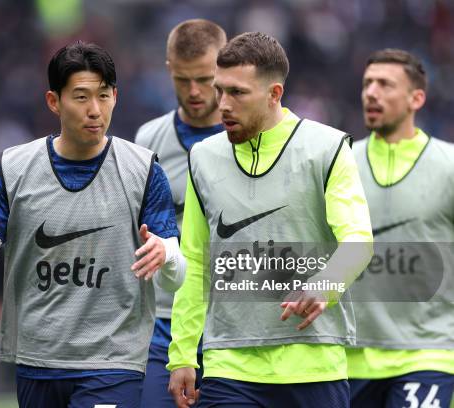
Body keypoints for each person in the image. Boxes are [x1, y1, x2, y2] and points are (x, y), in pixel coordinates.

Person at [0, 41, 187, 408]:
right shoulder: (13, 169)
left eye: (104, 95)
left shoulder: (144, 171)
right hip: (37, 361)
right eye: (81, 97)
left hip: (112, 362)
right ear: (54, 102)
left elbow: (177, 275)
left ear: (115, 96)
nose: (95, 110)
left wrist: (167, 256)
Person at [167, 32, 373, 408]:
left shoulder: (326, 149)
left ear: (274, 94)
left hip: (314, 365)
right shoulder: (203, 158)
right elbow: (195, 259)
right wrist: (181, 354)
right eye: (221, 90)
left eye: (238, 93)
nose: (223, 105)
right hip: (230, 367)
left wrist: (325, 285)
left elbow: (359, 239)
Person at [347, 49, 454, 408]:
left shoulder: (449, 166)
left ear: (416, 98)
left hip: (428, 354)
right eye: (366, 84)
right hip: (349, 359)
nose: (371, 93)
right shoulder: (339, 163)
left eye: (385, 84)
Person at [134, 19, 226, 407]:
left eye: (205, 79)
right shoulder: (148, 141)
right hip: (166, 321)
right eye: (183, 79)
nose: (194, 91)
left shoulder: (248, 135)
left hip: (231, 322)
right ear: (169, 68)